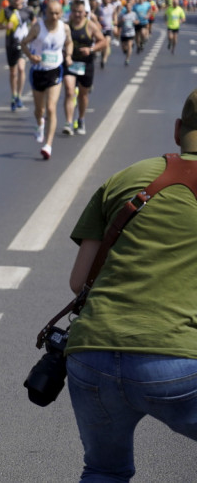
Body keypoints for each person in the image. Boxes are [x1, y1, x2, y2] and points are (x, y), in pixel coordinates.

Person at [64, 87, 197, 481]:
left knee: (104, 470)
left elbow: (78, 282)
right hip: (175, 363)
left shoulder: (128, 177)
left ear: (177, 130)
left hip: (91, 355)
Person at [21, 0, 72, 160]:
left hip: (54, 70)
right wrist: (30, 56)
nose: (54, 16)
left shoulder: (64, 28)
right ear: (45, 12)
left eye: (57, 13)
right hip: (38, 71)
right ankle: (40, 123)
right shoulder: (38, 27)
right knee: (39, 110)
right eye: (51, 13)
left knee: (51, 107)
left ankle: (48, 145)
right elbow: (24, 43)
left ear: (61, 13)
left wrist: (69, 55)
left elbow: (69, 43)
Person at [62, 0, 108, 136]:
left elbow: (103, 41)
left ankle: (81, 119)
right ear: (71, 12)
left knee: (83, 94)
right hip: (70, 63)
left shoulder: (90, 26)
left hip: (86, 64)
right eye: (75, 11)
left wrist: (91, 49)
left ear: (85, 12)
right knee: (69, 91)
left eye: (80, 12)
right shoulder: (66, 25)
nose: (77, 14)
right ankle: (69, 123)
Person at [0, 0, 34, 111]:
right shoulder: (6, 11)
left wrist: (32, 33)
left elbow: (34, 23)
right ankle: (13, 95)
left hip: (23, 43)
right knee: (13, 72)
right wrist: (4, 26)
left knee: (21, 68)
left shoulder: (28, 11)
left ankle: (19, 95)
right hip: (10, 43)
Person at [116, 0, 138, 66]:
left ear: (131, 7)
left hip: (131, 33)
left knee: (129, 45)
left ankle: (127, 59)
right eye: (127, 7)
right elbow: (117, 23)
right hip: (123, 33)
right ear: (125, 7)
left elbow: (137, 21)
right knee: (124, 48)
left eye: (129, 7)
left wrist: (135, 22)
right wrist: (121, 21)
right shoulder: (122, 14)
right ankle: (126, 51)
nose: (128, 8)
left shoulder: (134, 14)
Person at [97, 0, 117, 67]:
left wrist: (115, 22)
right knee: (102, 45)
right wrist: (98, 19)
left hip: (108, 28)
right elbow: (95, 16)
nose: (106, 1)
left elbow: (114, 15)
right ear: (102, 0)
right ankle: (103, 55)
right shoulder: (99, 7)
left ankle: (104, 60)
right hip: (100, 29)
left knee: (107, 43)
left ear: (109, 0)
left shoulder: (112, 7)